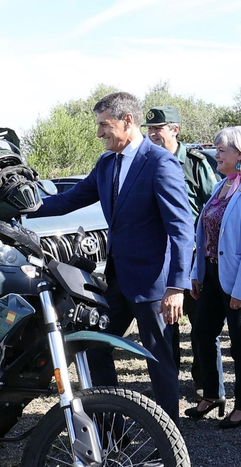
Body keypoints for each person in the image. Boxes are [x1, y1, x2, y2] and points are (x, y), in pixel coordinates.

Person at [27, 92, 195, 420]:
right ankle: (111, 428)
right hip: (117, 282)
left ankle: (168, 444)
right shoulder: (107, 164)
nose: (99, 132)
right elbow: (68, 200)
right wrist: (20, 207)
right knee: (91, 348)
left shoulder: (160, 163)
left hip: (154, 285)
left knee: (159, 361)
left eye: (105, 124)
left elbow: (181, 229)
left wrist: (177, 286)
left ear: (127, 121)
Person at [189, 126, 241, 427]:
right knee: (202, 334)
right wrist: (197, 273)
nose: (217, 154)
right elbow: (206, 234)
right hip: (211, 275)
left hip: (240, 281)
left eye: (222, 149)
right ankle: (212, 394)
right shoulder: (221, 185)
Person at [146, 106, 220, 399]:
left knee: (200, 321)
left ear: (174, 130)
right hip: (161, 255)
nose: (152, 135)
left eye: (158, 129)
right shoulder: (148, 161)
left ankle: (203, 384)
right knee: (167, 321)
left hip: (190, 254)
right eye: (149, 130)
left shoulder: (194, 163)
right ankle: (168, 382)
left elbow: (210, 206)